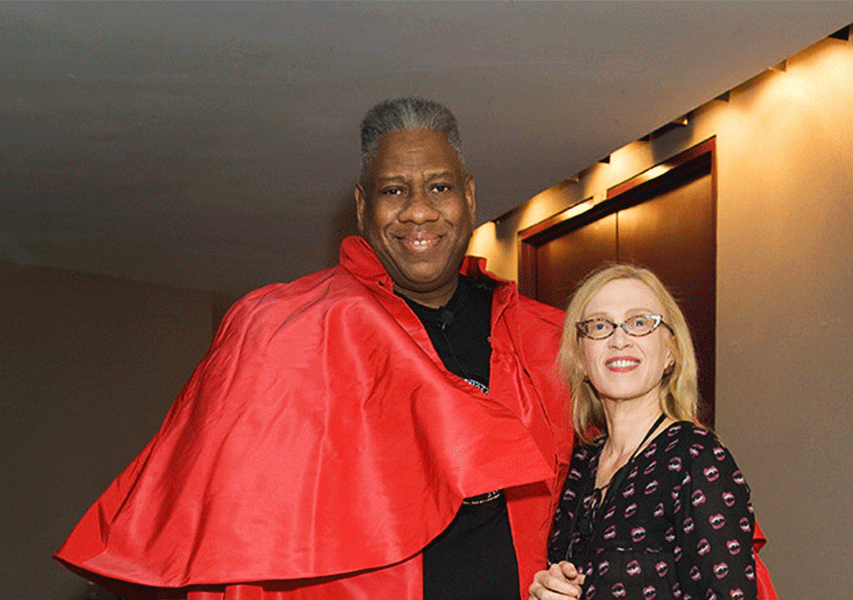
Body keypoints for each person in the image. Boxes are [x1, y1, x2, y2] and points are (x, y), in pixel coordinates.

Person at [55, 98, 572, 600]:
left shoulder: (546, 337)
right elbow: (211, 511)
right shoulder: (283, 332)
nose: (419, 211)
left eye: (439, 187)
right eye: (395, 191)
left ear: (470, 196)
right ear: (363, 206)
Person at [529, 264, 757, 600]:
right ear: (581, 357)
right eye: (600, 326)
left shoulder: (695, 458)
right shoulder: (580, 463)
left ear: (670, 353)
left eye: (639, 323)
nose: (619, 340)